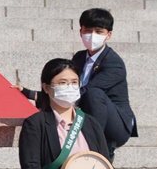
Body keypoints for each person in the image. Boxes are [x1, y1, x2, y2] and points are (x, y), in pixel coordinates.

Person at [19, 8, 136, 153]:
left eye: (99, 32)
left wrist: (38, 95)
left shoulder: (114, 63)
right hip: (86, 112)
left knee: (93, 93)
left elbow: (84, 91)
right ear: (81, 32)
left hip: (116, 124)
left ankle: (95, 145)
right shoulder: (79, 57)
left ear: (109, 35)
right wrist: (30, 93)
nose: (92, 36)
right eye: (88, 31)